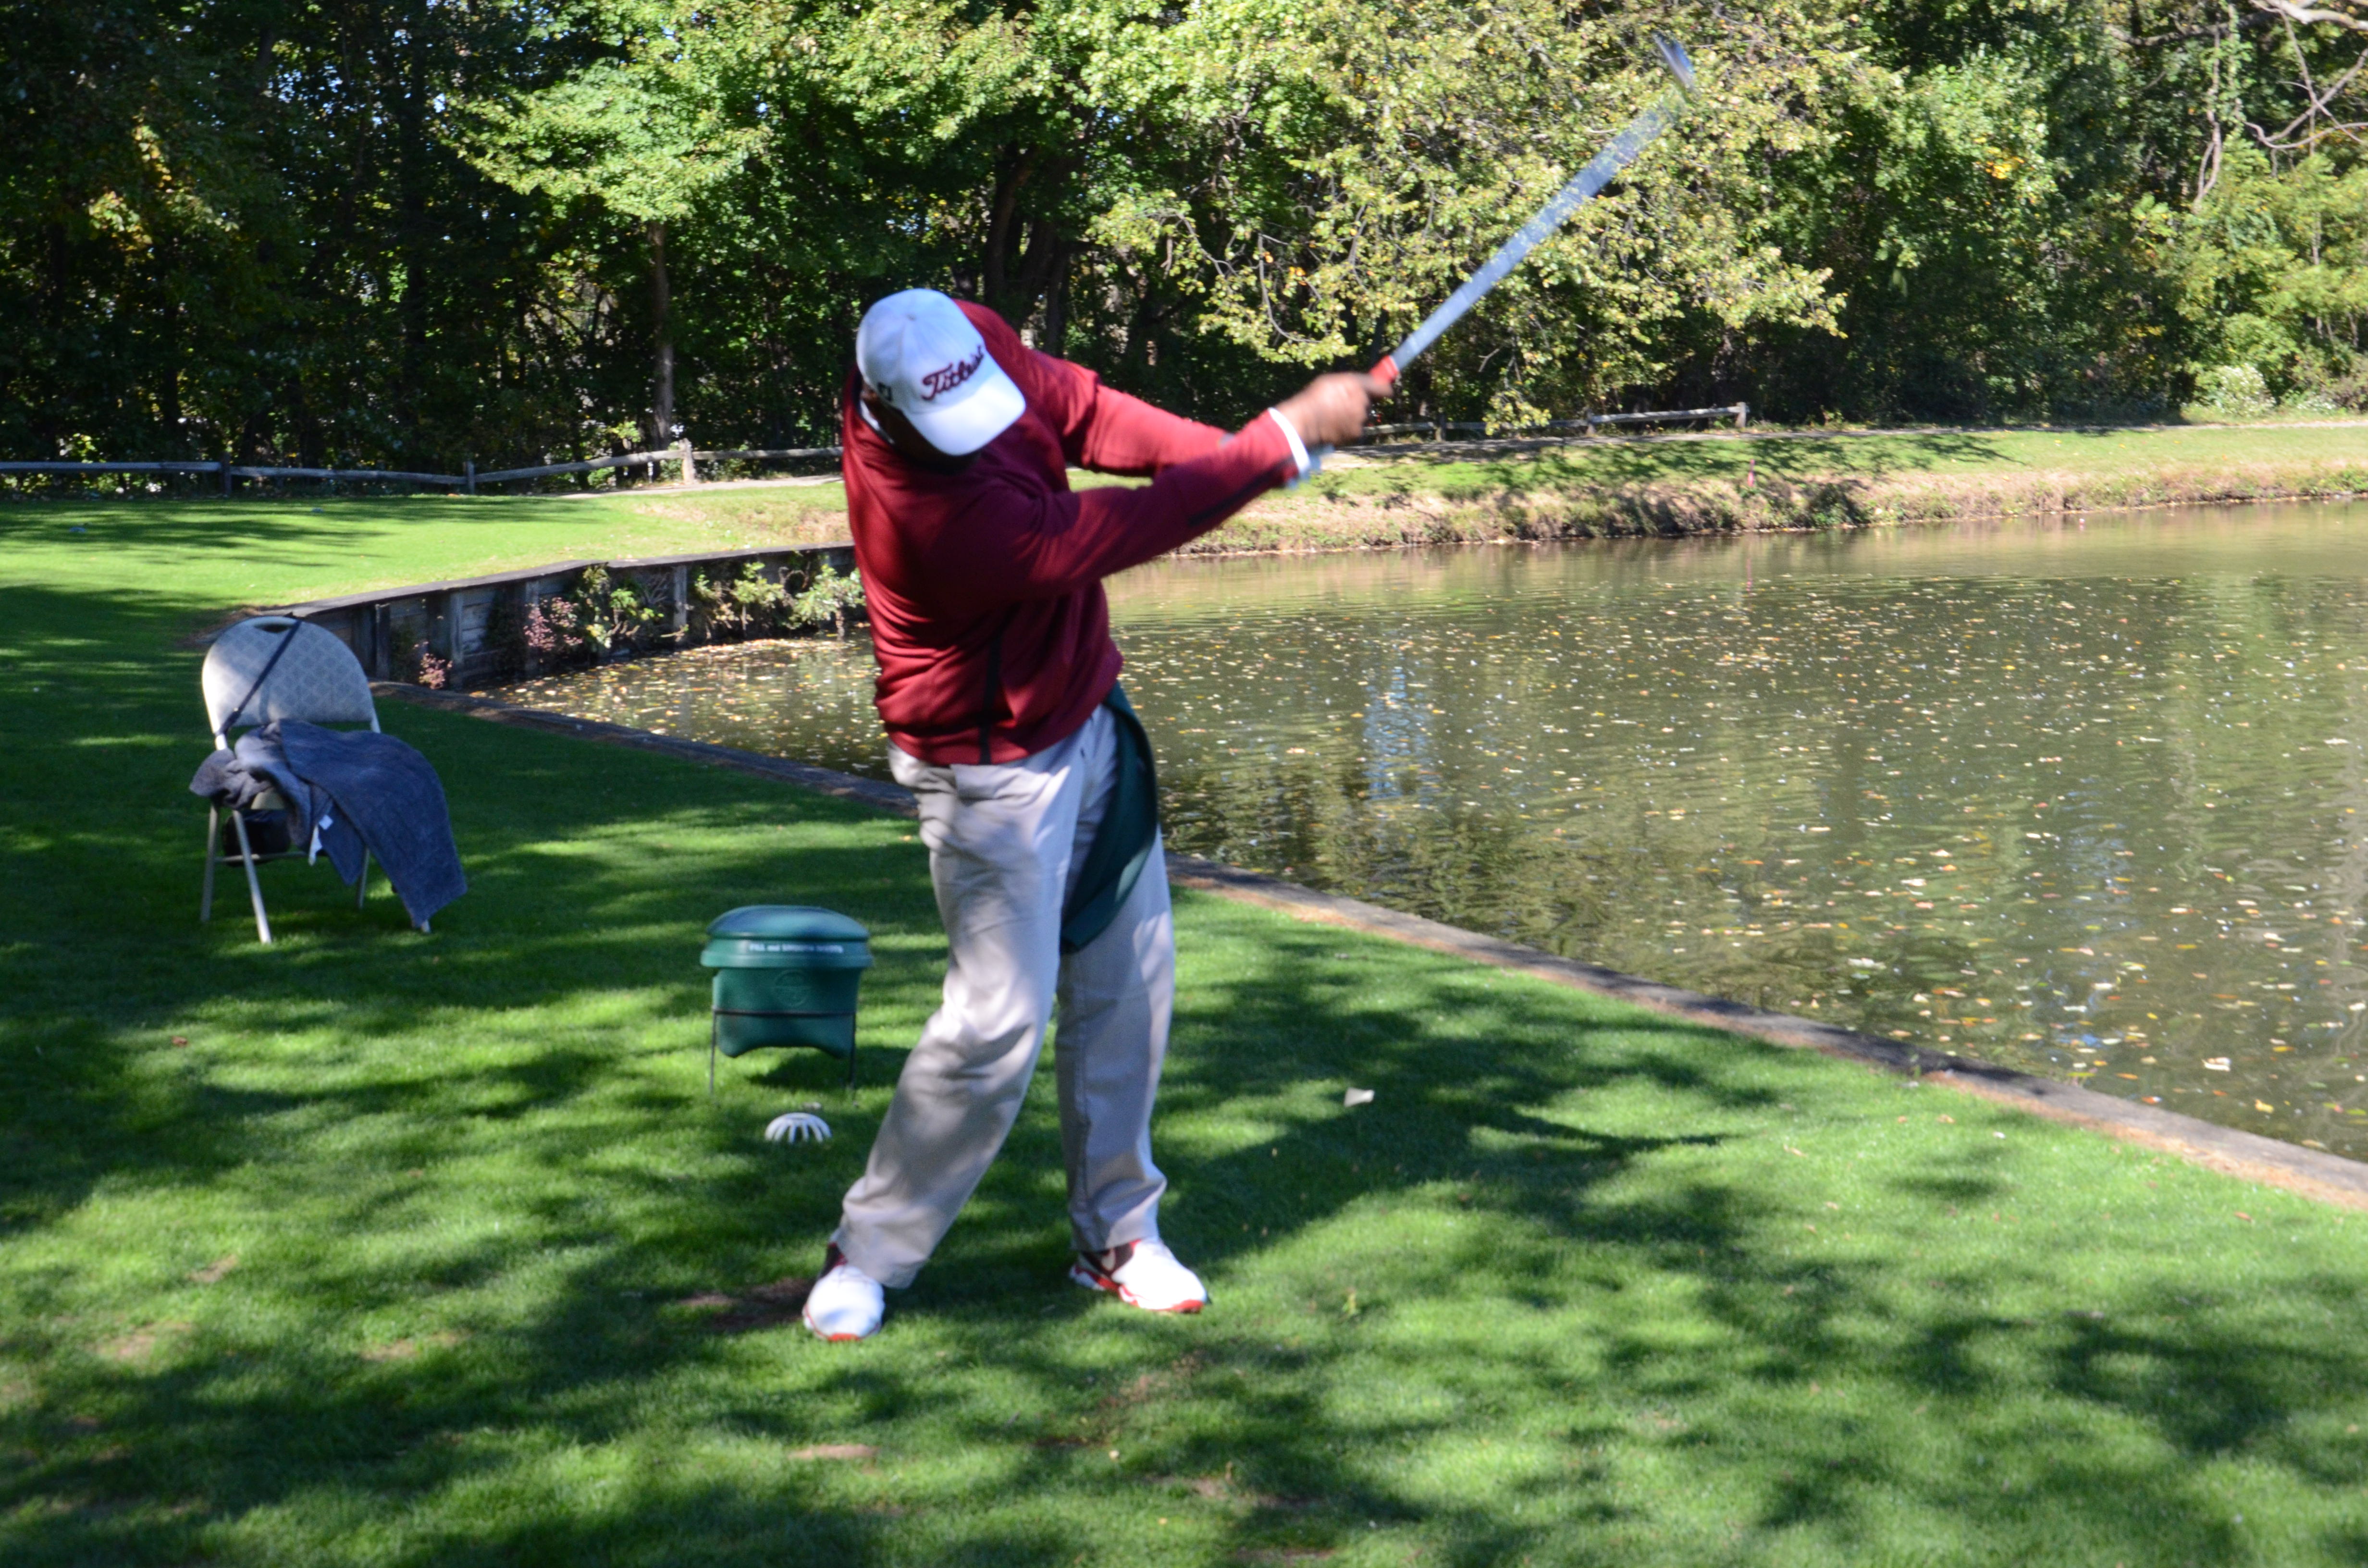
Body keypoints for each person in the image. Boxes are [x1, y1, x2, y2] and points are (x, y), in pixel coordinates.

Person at [803, 288, 1383, 1340]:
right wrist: (1275, 441)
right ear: (882, 408)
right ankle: (870, 1252)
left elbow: (1086, 412)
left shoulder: (959, 337)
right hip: (987, 775)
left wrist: (1237, 454)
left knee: (1129, 991)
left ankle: (1116, 1236)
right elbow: (1115, 526)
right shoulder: (935, 520)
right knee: (995, 1025)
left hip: (1087, 719)